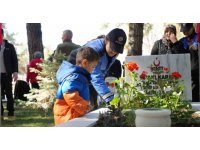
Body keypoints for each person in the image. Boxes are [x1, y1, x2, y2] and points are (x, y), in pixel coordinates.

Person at [68, 28, 127, 109]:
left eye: (117, 49)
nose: (114, 52)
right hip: (75, 66)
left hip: (90, 71)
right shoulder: (95, 50)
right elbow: (96, 78)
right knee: (78, 102)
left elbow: (103, 70)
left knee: (93, 105)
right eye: (113, 48)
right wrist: (111, 100)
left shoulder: (113, 52)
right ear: (106, 40)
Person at [54, 47, 99, 126]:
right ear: (85, 63)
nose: (93, 69)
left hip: (72, 114)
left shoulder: (79, 76)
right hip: (68, 116)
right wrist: (84, 107)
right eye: (93, 67)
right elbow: (69, 93)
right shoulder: (75, 77)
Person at [0, 29, 18, 119]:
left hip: (7, 74)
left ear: (2, 35)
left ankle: (11, 113)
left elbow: (14, 60)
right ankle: (1, 113)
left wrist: (15, 72)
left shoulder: (9, 46)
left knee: (9, 94)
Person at [179, 23, 199, 102]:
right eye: (183, 31)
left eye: (187, 30)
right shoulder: (182, 41)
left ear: (192, 28)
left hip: (197, 71)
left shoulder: (198, 38)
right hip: (187, 72)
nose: (185, 33)